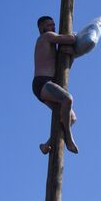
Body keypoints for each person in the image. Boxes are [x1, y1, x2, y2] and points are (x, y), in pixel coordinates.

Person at [33, 15, 78, 154]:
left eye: (53, 25)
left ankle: (46, 145)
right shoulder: (46, 37)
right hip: (42, 82)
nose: (53, 27)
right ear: (42, 28)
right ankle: (69, 138)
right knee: (68, 99)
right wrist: (75, 35)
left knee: (71, 118)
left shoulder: (51, 43)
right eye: (49, 25)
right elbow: (71, 39)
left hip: (47, 84)